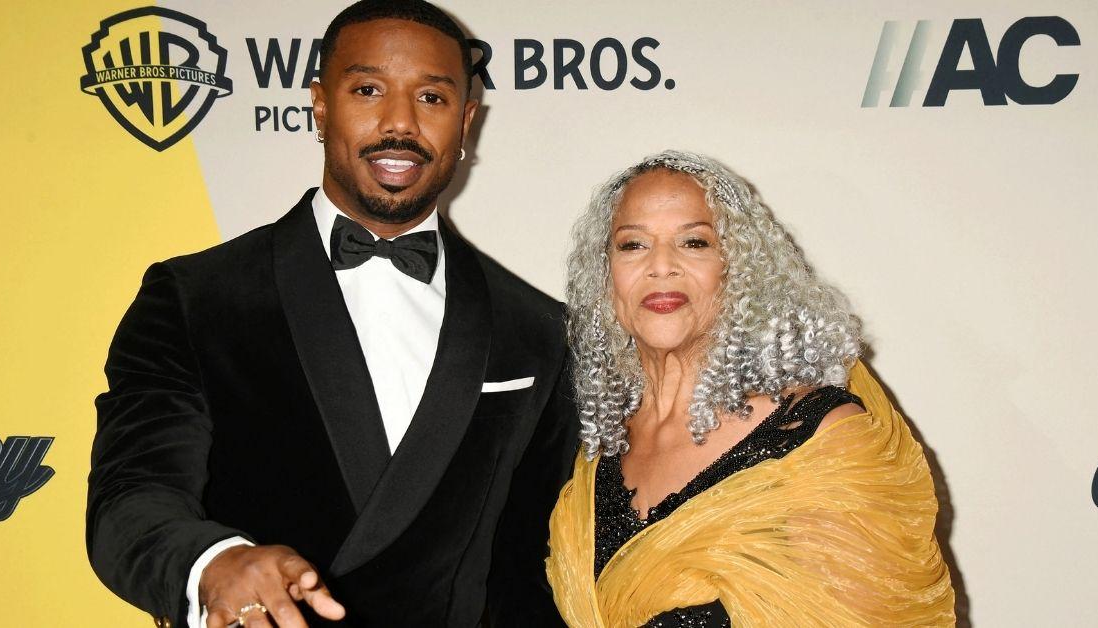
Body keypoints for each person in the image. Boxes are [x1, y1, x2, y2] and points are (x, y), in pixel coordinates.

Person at [87, 2, 577, 627]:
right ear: (320, 104)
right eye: (368, 89)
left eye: (432, 98)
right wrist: (213, 563)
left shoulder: (535, 330)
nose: (399, 123)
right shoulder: (196, 297)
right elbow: (130, 500)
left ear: (467, 121)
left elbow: (529, 570)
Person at [545, 151, 956, 626]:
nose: (661, 266)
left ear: (739, 269)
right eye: (633, 245)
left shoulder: (821, 442)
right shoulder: (594, 447)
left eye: (694, 242)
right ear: (604, 277)